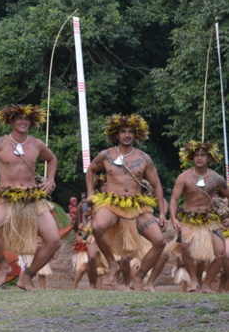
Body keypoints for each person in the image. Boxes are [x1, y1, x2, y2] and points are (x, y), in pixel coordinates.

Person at [0, 104, 60, 290]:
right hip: (6, 198)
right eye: (19, 118)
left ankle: (26, 276)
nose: (23, 121)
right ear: (11, 121)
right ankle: (3, 264)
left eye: (26, 119)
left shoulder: (36, 144)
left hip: (31, 200)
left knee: (53, 242)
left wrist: (50, 180)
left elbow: (52, 159)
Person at [86, 114, 167, 292]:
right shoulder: (106, 155)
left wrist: (161, 213)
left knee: (160, 242)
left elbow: (157, 186)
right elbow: (91, 170)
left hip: (136, 206)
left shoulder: (144, 158)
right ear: (117, 135)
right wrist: (91, 194)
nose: (127, 135)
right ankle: (113, 264)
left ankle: (139, 278)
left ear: (135, 135)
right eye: (123, 131)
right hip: (113, 204)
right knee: (98, 227)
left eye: (131, 132)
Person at [168, 141, 229, 293]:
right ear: (192, 157)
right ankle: (194, 282)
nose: (200, 158)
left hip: (210, 220)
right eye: (196, 155)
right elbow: (174, 199)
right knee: (185, 246)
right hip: (189, 218)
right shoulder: (184, 177)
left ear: (209, 158)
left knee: (221, 254)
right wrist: (174, 219)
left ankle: (207, 284)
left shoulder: (217, 178)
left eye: (203, 155)